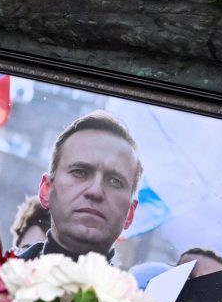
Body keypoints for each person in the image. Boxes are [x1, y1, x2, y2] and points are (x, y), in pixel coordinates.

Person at [20, 111, 142, 260]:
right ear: (46, 190)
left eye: (115, 181)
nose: (95, 191)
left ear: (130, 213)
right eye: (79, 172)